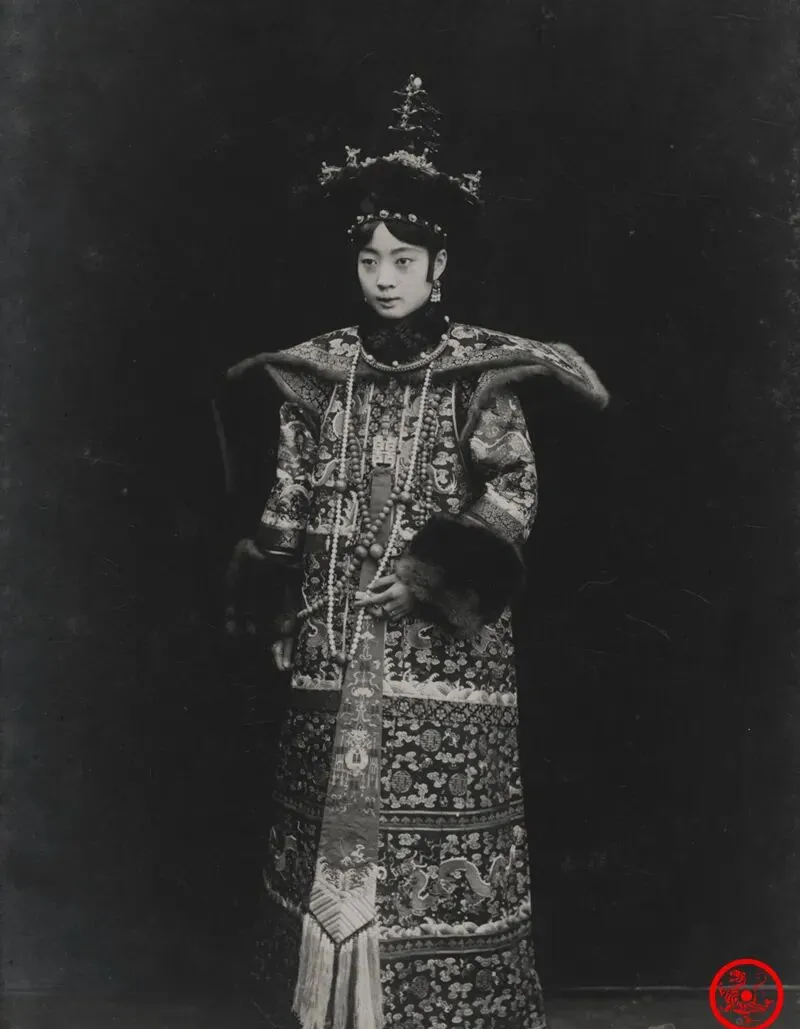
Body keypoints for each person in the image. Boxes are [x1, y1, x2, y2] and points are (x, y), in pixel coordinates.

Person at [223, 74, 608, 1029]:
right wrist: (275, 601)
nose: (384, 277)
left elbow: (512, 490)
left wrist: (432, 578)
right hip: (331, 630)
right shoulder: (319, 376)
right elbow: (289, 490)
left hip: (439, 651)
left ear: (440, 267)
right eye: (369, 259)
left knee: (424, 824)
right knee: (321, 815)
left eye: (404, 259)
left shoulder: (477, 373)